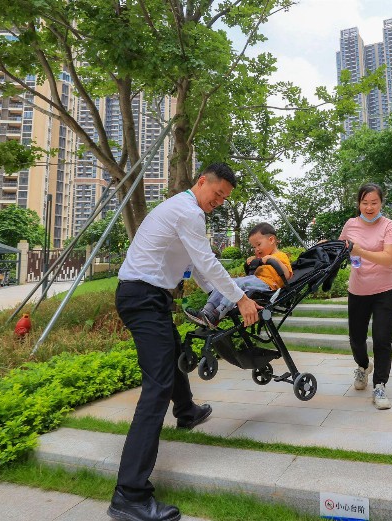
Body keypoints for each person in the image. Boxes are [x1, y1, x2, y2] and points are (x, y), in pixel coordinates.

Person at [109, 162, 261, 521]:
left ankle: (187, 412)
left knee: (175, 353)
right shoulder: (188, 211)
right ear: (201, 182)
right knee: (156, 387)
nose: (219, 201)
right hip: (142, 297)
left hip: (150, 297)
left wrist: (224, 298)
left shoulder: (182, 209)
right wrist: (239, 298)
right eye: (217, 193)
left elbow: (200, 268)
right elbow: (207, 262)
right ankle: (129, 494)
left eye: (225, 198)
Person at [339, 183, 392, 410]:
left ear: (381, 203)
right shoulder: (351, 224)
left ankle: (380, 385)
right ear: (358, 204)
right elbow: (343, 249)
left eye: (374, 202)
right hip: (358, 290)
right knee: (356, 338)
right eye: (365, 203)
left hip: (386, 290)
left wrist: (360, 252)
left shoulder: (390, 226)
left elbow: (388, 259)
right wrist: (336, 250)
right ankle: (364, 366)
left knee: (382, 339)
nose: (369, 207)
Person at [184, 222, 292, 328]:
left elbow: (287, 275)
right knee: (227, 282)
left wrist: (273, 260)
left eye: (258, 244)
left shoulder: (280, 256)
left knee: (238, 284)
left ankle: (218, 313)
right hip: (255, 282)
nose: (256, 249)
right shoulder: (261, 259)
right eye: (254, 247)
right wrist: (252, 263)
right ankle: (207, 310)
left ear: (271, 240)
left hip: (269, 286)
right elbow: (252, 275)